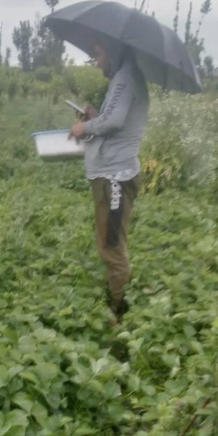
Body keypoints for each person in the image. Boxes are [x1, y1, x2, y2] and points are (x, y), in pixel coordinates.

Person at [70, 41, 149, 323]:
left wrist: (85, 127)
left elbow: (114, 122)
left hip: (115, 178)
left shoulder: (126, 76)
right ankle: (117, 298)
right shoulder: (124, 77)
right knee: (109, 242)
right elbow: (116, 120)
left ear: (114, 51)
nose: (96, 60)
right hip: (110, 175)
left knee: (112, 246)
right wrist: (95, 117)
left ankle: (119, 315)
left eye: (99, 53)